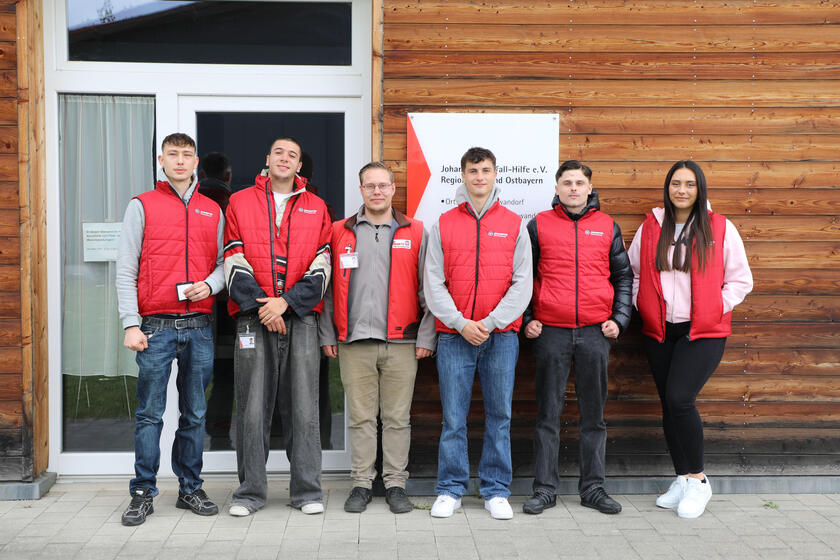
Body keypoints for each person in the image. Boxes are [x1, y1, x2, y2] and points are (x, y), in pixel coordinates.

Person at [628, 160, 753, 519]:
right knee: (669, 404)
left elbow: (741, 280)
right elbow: (635, 272)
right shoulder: (652, 227)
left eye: (689, 184)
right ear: (667, 189)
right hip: (660, 331)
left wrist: (717, 307)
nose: (681, 190)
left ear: (700, 189)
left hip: (704, 331)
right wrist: (643, 305)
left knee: (680, 399)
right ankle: (681, 477)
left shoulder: (719, 227)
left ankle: (699, 481)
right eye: (675, 184)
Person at [116, 132, 224, 526]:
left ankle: (190, 488)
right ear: (161, 160)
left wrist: (210, 285)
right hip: (155, 327)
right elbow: (125, 268)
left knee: (195, 414)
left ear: (196, 162)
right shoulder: (141, 205)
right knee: (150, 414)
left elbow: (225, 264)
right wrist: (131, 323)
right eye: (173, 154)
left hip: (199, 327)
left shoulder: (213, 209)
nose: (180, 161)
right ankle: (143, 491)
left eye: (187, 155)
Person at [223, 136, 332, 516]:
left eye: (294, 155)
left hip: (300, 319)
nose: (285, 159)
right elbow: (232, 257)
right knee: (252, 407)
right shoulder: (239, 201)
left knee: (304, 407)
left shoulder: (317, 207)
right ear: (267, 159)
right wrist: (265, 306)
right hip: (254, 319)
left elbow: (323, 266)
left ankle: (307, 492)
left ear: (300, 166)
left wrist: (286, 304)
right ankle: (249, 494)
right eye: (279, 153)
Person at [320, 161, 436, 514]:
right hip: (354, 341)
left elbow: (428, 289)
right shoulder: (340, 231)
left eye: (383, 185)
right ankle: (360, 483)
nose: (377, 191)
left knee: (398, 418)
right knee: (360, 418)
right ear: (361, 190)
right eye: (370, 186)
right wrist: (329, 333)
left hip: (402, 341)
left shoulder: (415, 231)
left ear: (393, 189)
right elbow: (327, 291)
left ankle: (396, 484)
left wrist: (426, 337)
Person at [424, 147, 532, 520]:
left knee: (499, 415)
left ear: (496, 174)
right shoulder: (443, 223)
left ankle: (496, 489)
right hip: (455, 336)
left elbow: (523, 285)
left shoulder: (515, 223)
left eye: (486, 170)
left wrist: (488, 323)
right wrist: (460, 322)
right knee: (453, 417)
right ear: (463, 175)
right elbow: (433, 282)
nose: (480, 177)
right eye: (473, 171)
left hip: (500, 337)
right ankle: (450, 489)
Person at [522, 160, 632, 516]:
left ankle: (593, 489)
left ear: (589, 188)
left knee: (593, 416)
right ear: (556, 188)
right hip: (550, 332)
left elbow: (624, 278)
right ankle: (544, 489)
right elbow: (521, 277)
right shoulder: (538, 225)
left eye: (579, 182)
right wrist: (527, 319)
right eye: (566, 182)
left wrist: (619, 319)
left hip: (594, 333)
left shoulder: (606, 226)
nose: (572, 188)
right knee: (548, 414)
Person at [198, 152, 236, 449]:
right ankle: (220, 427)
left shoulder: (195, 199)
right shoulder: (229, 203)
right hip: (224, 300)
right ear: (227, 175)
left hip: (196, 298)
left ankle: (210, 428)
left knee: (200, 369)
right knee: (226, 368)